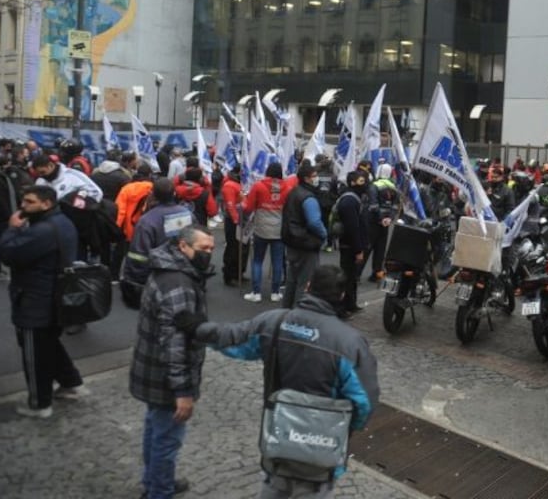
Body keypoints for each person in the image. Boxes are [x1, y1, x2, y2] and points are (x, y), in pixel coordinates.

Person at [176, 264, 380, 499]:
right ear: (342, 296)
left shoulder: (274, 322)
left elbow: (233, 339)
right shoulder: (350, 343)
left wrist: (197, 328)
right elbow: (364, 402)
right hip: (320, 452)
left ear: (308, 287)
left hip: (279, 439)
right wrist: (344, 429)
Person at [129, 225, 215, 499]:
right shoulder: (179, 284)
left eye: (211, 249)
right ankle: (160, 491)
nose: (208, 254)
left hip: (152, 368)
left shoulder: (168, 270)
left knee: (155, 429)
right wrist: (183, 391)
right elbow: (176, 342)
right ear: (183, 247)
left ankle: (152, 481)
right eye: (203, 249)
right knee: (166, 439)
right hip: (165, 378)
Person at [0, 184, 87, 418]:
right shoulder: (61, 221)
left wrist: (12, 230)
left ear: (46, 204)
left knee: (35, 353)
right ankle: (70, 383)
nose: (23, 206)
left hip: (35, 300)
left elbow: (8, 254)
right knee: (48, 344)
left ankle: (40, 404)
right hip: (53, 297)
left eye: (29, 202)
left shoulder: (42, 230)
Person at [123, 179, 195, 290]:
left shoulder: (146, 221)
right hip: (185, 273)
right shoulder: (188, 214)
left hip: (159, 277)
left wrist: (138, 281)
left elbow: (139, 255)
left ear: (153, 195)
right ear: (174, 193)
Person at [280, 161, 328, 308]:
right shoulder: (309, 198)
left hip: (292, 241)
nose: (316, 178)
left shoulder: (294, 192)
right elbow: (314, 222)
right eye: (314, 176)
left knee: (291, 281)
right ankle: (298, 314)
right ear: (307, 178)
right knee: (305, 283)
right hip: (306, 243)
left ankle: (286, 311)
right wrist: (324, 234)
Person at [244, 162, 291, 303]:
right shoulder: (288, 188)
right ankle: (275, 293)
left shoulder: (258, 186)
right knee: (277, 262)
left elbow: (249, 207)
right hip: (279, 229)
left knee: (257, 260)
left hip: (261, 229)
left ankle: (256, 292)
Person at [335, 170, 370, 316]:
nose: (365, 184)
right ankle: (341, 308)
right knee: (346, 277)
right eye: (362, 181)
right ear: (352, 182)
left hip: (352, 245)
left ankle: (351, 304)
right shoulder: (349, 201)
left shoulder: (354, 197)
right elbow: (352, 228)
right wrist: (358, 250)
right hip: (349, 246)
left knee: (352, 276)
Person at [366, 163, 400, 282]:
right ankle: (376, 273)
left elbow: (373, 205)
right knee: (380, 249)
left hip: (373, 222)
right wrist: (389, 218)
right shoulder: (394, 187)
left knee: (367, 248)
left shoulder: (374, 186)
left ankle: (357, 273)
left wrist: (381, 219)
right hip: (386, 222)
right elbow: (396, 206)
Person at [221, 167, 249, 286]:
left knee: (243, 248)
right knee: (233, 247)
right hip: (234, 221)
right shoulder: (229, 185)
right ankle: (229, 275)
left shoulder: (241, 183)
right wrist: (237, 220)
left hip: (243, 219)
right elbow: (230, 205)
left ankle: (239, 272)